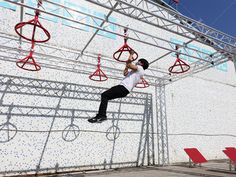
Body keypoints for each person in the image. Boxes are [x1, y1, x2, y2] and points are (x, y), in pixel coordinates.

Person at [88, 51, 149, 123]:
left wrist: (131, 54)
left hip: (123, 87)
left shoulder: (140, 68)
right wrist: (127, 64)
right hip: (125, 90)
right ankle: (101, 115)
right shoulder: (135, 71)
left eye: (138, 61)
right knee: (105, 96)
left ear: (141, 63)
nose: (136, 62)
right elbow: (125, 73)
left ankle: (102, 115)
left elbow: (129, 64)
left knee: (104, 95)